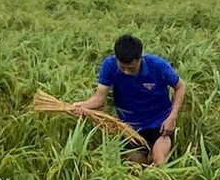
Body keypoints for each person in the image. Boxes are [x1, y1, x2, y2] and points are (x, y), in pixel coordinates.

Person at [69, 34, 185, 167]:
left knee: (159, 162)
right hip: (130, 127)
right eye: (122, 67)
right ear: (116, 58)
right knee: (136, 167)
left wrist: (172, 116)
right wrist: (82, 106)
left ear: (140, 58)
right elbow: (99, 99)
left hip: (160, 124)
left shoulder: (158, 66)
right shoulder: (109, 66)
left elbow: (180, 86)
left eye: (131, 68)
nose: (126, 72)